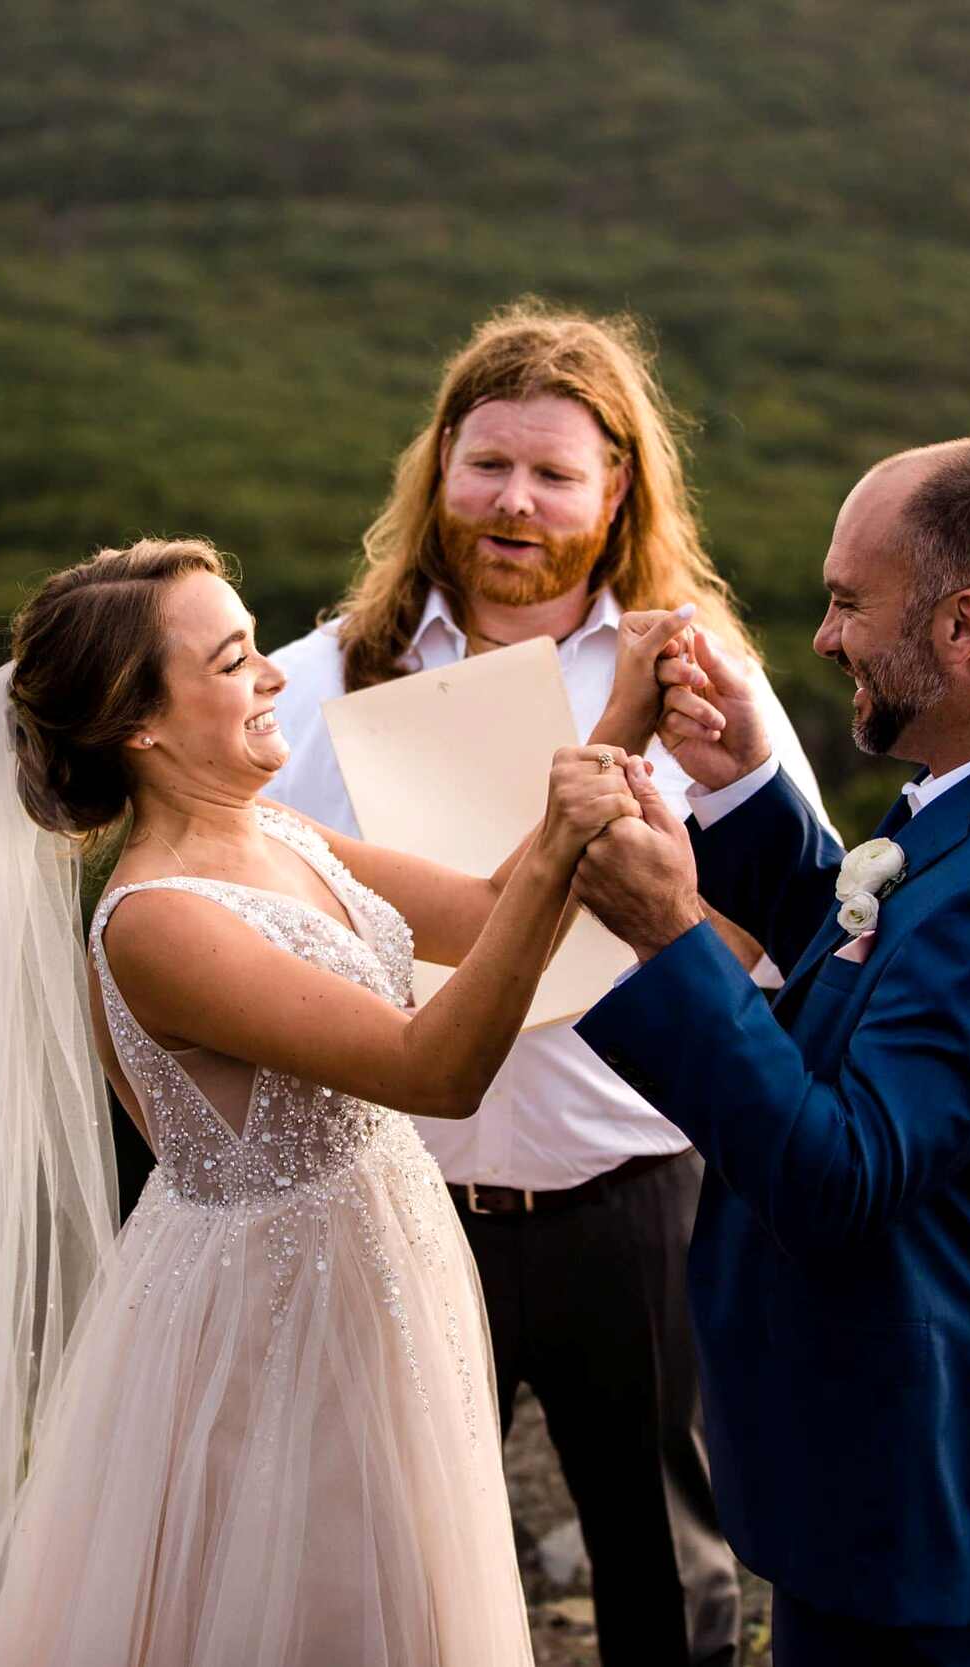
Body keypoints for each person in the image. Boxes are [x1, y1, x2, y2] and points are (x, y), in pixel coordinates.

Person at [0, 536, 695, 1666]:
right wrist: (563, 833)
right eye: (234, 659)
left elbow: (492, 908)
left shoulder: (281, 831)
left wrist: (619, 729)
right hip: (276, 1325)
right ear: (141, 727)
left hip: (378, 1270)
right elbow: (430, 1067)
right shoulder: (158, 919)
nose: (272, 678)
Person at [265, 303, 827, 1665]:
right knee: (378, 1563)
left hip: (633, 1194)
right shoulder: (315, 678)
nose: (513, 501)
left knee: (672, 1571)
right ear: (438, 466)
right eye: (486, 462)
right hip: (395, 1189)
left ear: (619, 488)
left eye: (555, 473)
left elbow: (789, 941)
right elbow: (255, 909)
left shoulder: (707, 685)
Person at [568, 440, 970, 1667]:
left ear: (963, 624)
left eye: (849, 601)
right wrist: (745, 790)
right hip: (880, 1460)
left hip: (926, 1496)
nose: (824, 638)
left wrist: (669, 930)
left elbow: (835, 1174)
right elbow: (879, 970)